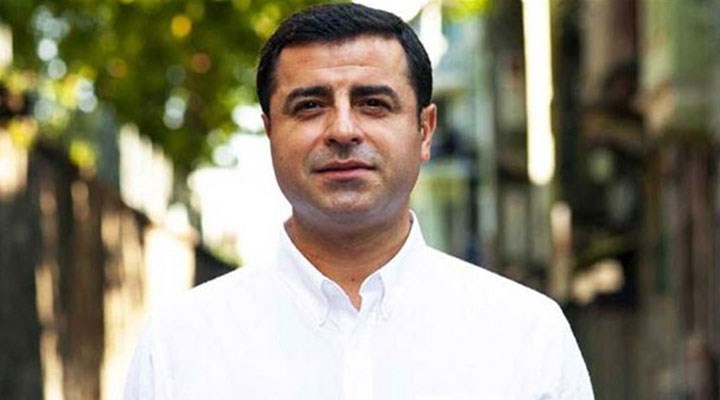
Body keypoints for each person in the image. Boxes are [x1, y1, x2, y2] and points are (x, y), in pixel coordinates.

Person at [124, 3, 594, 399]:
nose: (343, 130)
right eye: (310, 106)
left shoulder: (527, 336)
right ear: (270, 132)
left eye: (373, 104)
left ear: (424, 131)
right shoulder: (180, 344)